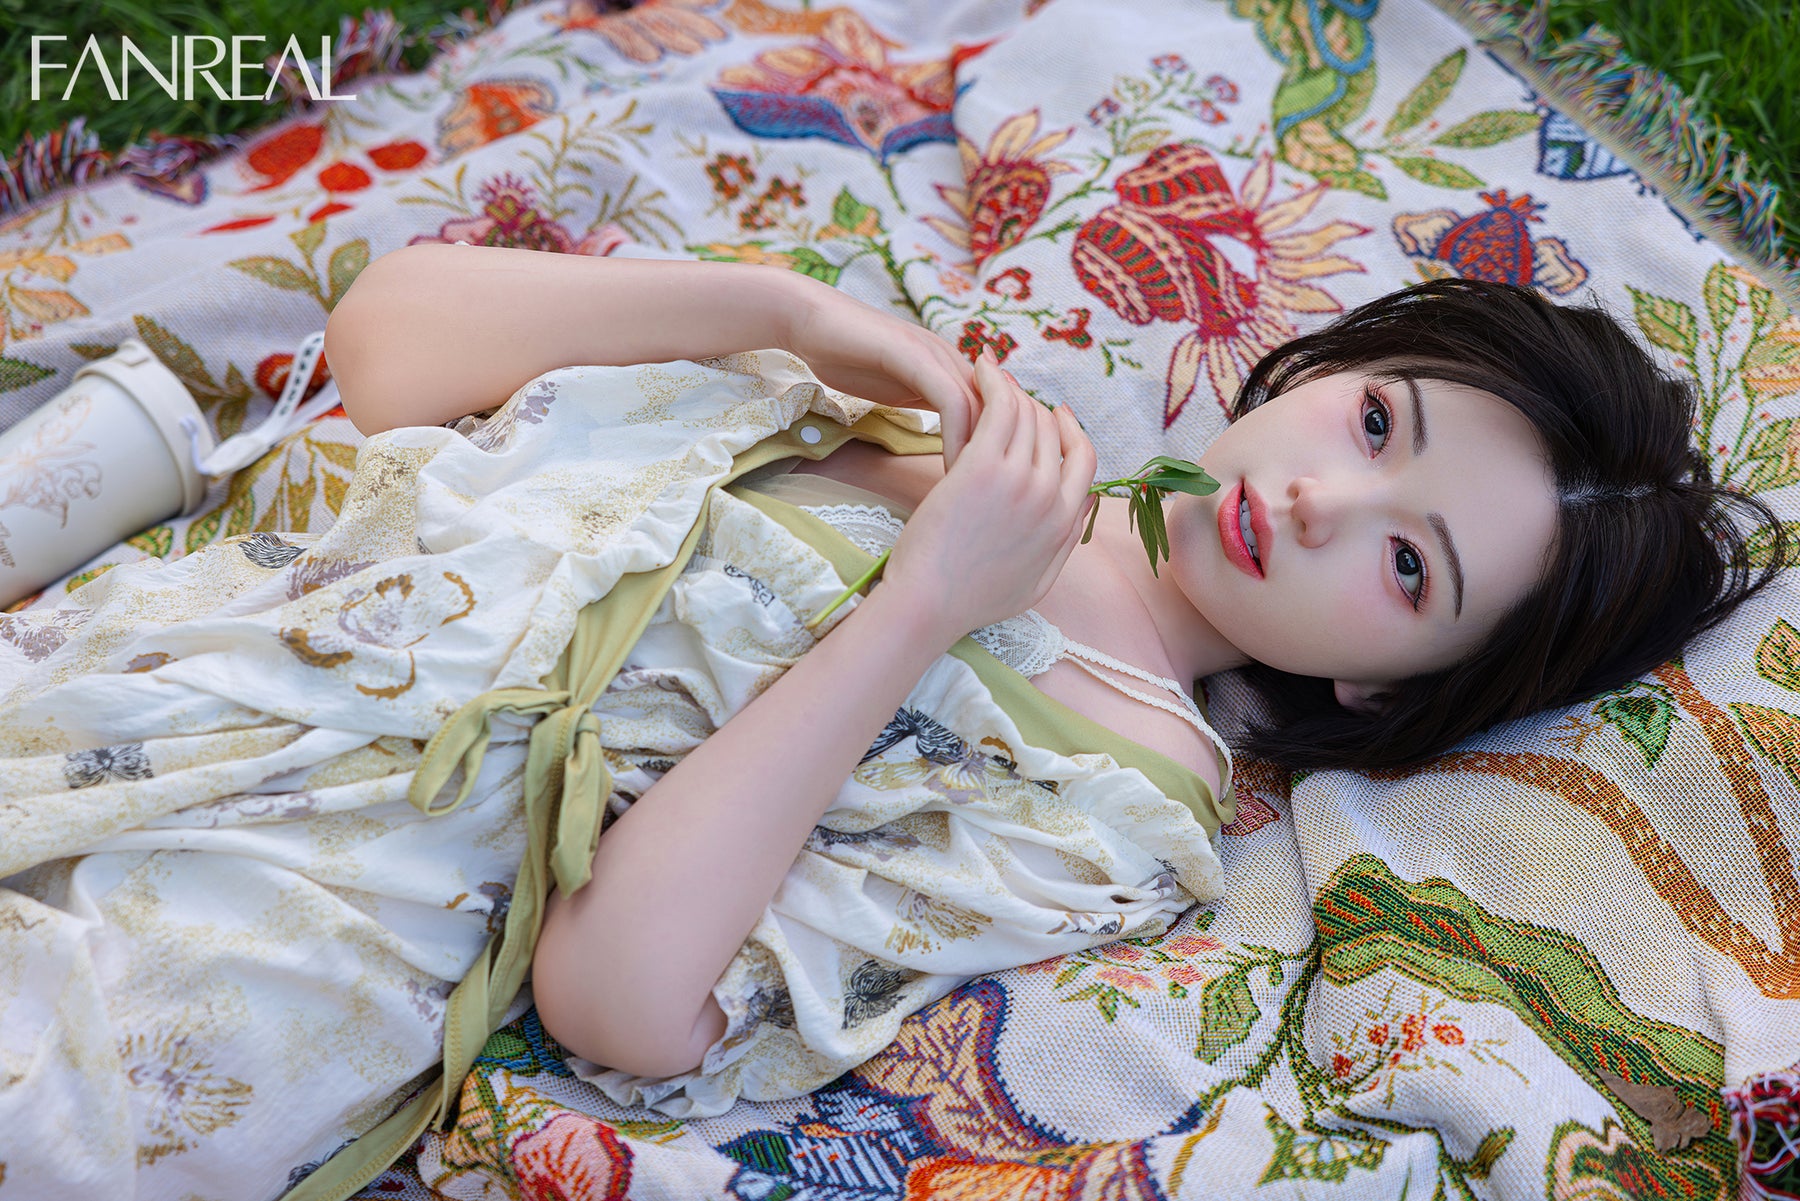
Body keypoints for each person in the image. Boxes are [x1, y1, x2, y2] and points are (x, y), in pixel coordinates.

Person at [326, 243, 1786, 1087]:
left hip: (326, 888)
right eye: (1376, 422)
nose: (1320, 502)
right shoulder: (957, 414)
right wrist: (786, 314)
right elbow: (387, 350)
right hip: (242, 642)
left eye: (1409, 566)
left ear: (1392, 691)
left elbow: (618, 999)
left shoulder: (1121, 791)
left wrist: (919, 612)